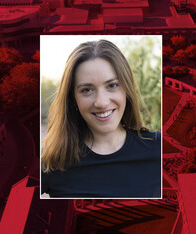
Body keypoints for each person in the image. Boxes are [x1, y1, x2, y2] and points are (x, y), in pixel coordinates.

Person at [41, 39, 161, 198]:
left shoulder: (160, 149)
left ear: (126, 89)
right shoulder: (53, 161)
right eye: (87, 90)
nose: (102, 102)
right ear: (73, 99)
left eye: (112, 85)